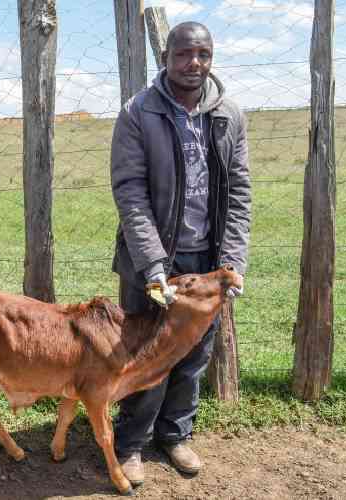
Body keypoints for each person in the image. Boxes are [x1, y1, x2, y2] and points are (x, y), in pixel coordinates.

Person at [110, 21, 251, 485]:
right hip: (153, 261)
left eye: (203, 54)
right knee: (144, 354)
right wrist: (153, 266)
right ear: (165, 58)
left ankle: (174, 436)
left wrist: (230, 262)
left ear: (212, 58)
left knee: (193, 355)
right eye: (184, 54)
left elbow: (238, 193)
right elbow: (130, 193)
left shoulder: (228, 114)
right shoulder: (139, 112)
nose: (194, 63)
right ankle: (129, 444)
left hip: (206, 261)